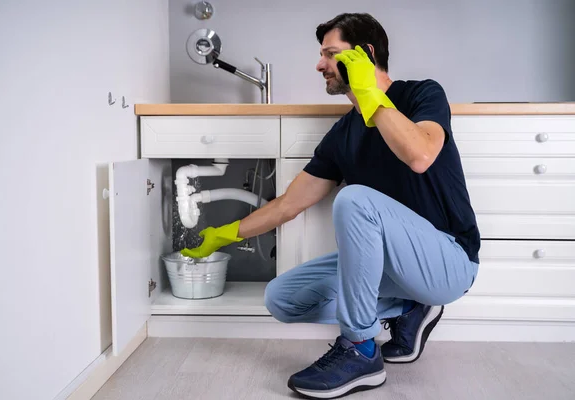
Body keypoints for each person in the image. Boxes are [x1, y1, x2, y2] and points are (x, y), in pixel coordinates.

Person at [181, 12, 480, 400]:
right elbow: (289, 204)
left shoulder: (421, 95)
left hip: (449, 260)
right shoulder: (343, 134)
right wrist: (223, 234)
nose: (319, 64)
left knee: (355, 199)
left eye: (330, 54)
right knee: (281, 298)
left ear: (365, 55)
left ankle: (360, 349)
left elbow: (420, 154)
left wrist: (371, 94)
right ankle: (410, 307)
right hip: (395, 268)